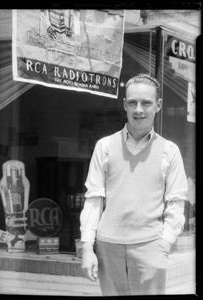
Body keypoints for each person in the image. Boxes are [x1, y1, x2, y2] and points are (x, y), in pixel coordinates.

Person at [80, 73, 188, 296]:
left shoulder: (169, 150)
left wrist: (164, 244)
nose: (139, 110)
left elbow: (176, 202)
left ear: (158, 105)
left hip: (150, 246)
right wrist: (87, 247)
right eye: (132, 102)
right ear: (125, 105)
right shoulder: (105, 146)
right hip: (108, 246)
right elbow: (93, 199)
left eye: (146, 103)